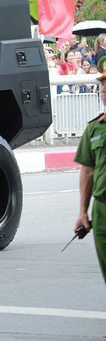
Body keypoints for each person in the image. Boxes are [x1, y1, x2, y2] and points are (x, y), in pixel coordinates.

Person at [74, 69, 106, 286]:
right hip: (102, 209)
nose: (103, 90)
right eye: (102, 84)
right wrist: (83, 212)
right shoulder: (95, 127)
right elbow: (88, 171)